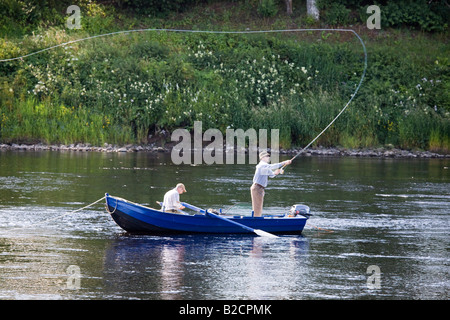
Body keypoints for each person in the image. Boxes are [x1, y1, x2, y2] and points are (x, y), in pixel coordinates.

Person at [251, 151, 291, 217]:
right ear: (262, 157)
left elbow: (272, 175)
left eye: (269, 156)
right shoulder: (261, 165)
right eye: (267, 156)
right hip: (257, 188)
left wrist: (277, 172)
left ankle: (257, 219)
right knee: (257, 207)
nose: (269, 157)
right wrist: (284, 162)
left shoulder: (265, 167)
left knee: (259, 206)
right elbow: (272, 166)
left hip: (260, 188)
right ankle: (256, 222)